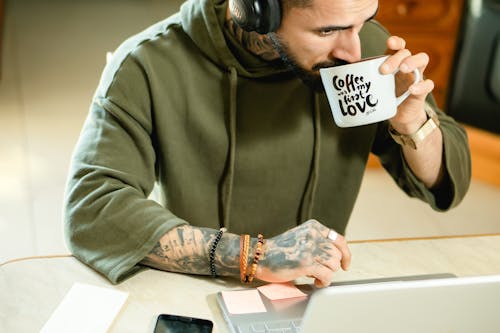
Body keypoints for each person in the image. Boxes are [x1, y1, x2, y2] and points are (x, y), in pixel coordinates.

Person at [64, 0, 471, 287]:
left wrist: (413, 122)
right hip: (192, 289)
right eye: (327, 30)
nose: (352, 50)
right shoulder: (147, 63)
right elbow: (93, 209)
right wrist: (256, 256)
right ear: (255, 10)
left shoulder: (364, 52)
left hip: (311, 294)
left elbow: (445, 184)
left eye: (364, 19)